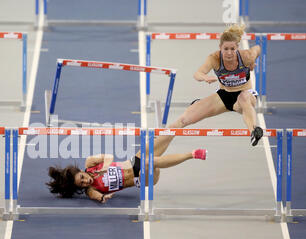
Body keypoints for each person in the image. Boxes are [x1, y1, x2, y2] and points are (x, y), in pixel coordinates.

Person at [153, 24, 263, 158]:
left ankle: (254, 131)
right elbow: (197, 73)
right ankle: (153, 151)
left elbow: (257, 48)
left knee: (244, 97)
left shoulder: (246, 56)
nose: (229, 53)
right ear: (220, 48)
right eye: (226, 49)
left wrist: (252, 62)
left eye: (232, 49)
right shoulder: (214, 58)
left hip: (244, 97)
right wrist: (204, 77)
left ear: (237, 48)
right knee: (182, 121)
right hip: (223, 97)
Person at [46, 141, 207, 203]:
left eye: (82, 177)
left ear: (82, 171)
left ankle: (182, 124)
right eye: (81, 183)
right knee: (148, 162)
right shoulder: (91, 190)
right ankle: (192, 154)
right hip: (141, 179)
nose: (85, 181)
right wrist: (103, 197)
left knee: (164, 136)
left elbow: (108, 156)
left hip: (132, 162)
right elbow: (98, 197)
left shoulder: (90, 163)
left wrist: (105, 166)